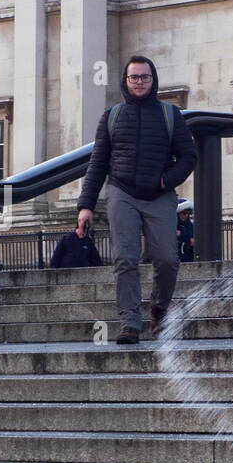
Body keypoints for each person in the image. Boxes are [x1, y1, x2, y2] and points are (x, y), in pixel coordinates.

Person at [77, 54, 198, 344]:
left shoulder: (170, 115)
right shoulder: (112, 116)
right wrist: (85, 205)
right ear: (125, 81)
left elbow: (189, 156)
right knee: (125, 258)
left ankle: (159, 308)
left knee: (168, 259)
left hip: (159, 195)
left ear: (153, 80)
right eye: (134, 77)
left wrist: (166, 180)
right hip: (122, 192)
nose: (139, 82)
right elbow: (97, 163)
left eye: (145, 77)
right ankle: (130, 322)